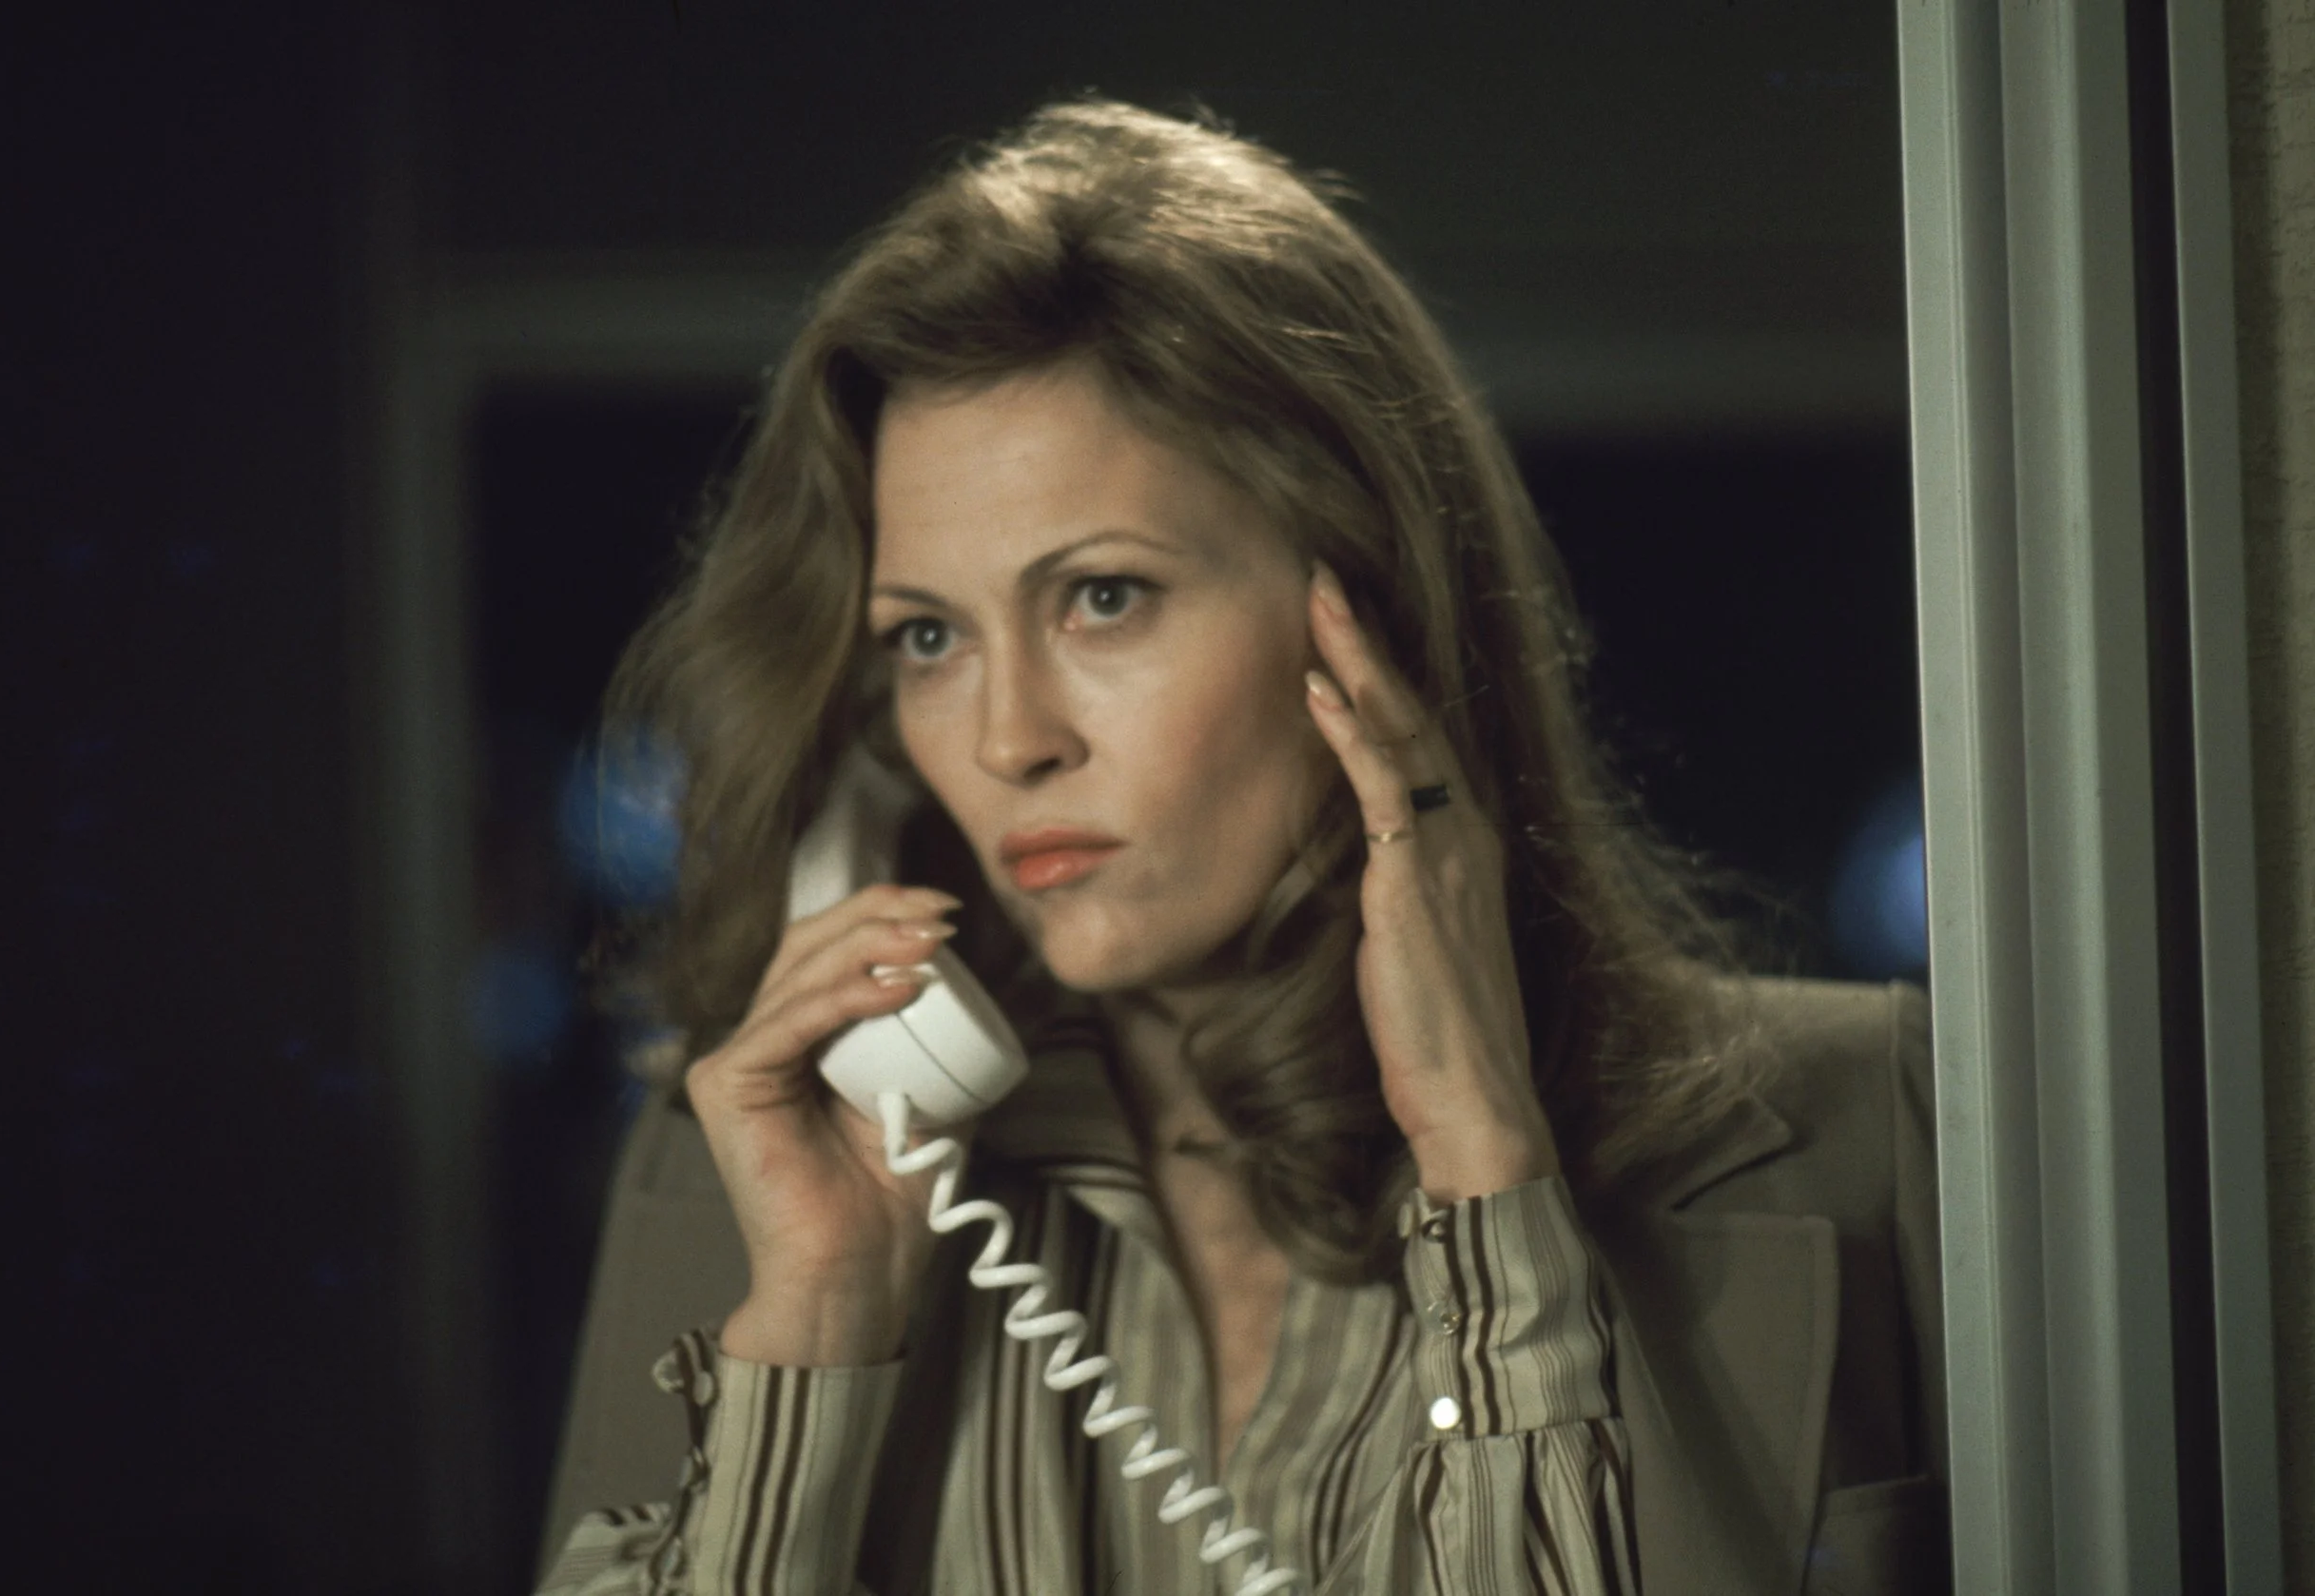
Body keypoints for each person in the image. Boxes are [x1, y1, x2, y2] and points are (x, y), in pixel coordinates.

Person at [533, 100, 1947, 1596]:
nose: (1009, 739)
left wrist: (1488, 1167)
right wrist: (820, 1323)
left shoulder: (1863, 1127)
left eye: (1103, 597)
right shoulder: (743, 1176)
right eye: (929, 636)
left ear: (1365, 613)